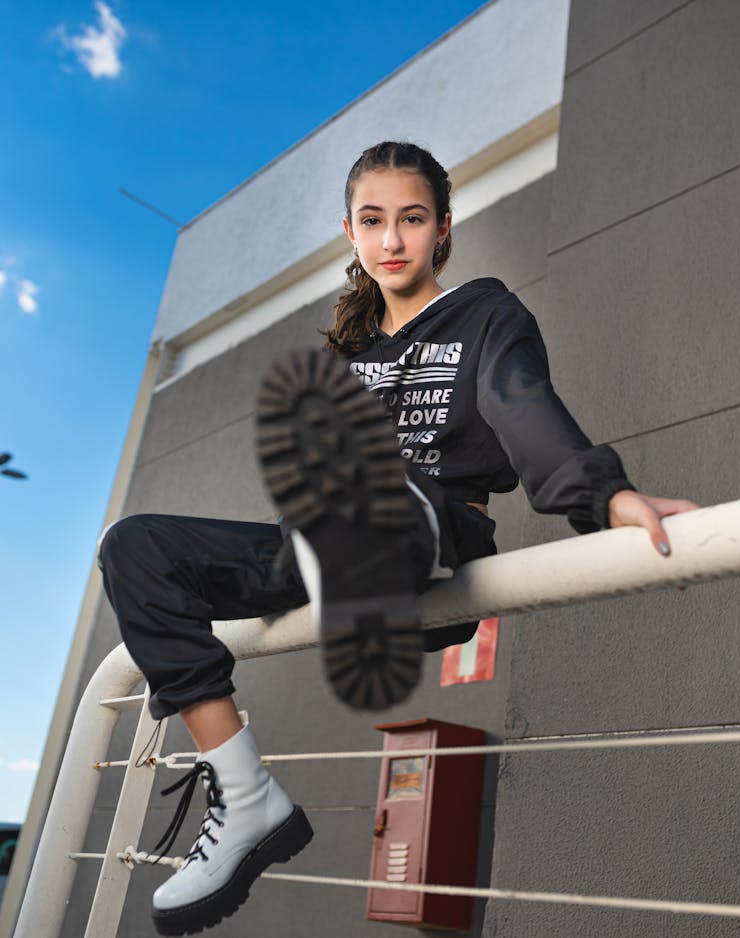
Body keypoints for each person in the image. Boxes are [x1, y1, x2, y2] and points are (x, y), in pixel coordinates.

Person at [98, 140, 698, 935]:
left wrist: (605, 497)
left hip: (434, 530)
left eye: (411, 219)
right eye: (373, 221)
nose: (392, 240)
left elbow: (520, 403)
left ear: (443, 228)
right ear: (350, 232)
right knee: (136, 545)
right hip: (329, 536)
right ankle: (247, 799)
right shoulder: (350, 359)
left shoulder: (486, 314)